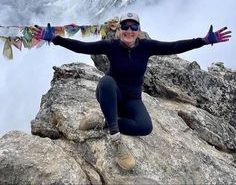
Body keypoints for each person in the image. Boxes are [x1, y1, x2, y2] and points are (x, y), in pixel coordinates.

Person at [32, 12, 231, 170]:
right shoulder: (110, 46)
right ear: (119, 30)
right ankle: (116, 137)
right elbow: (81, 46)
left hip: (132, 99)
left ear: (138, 30)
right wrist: (55, 39)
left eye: (133, 26)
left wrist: (203, 40)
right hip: (111, 94)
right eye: (125, 26)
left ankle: (103, 121)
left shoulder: (147, 47)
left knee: (145, 128)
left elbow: (175, 46)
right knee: (107, 82)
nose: (129, 30)